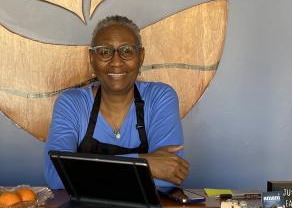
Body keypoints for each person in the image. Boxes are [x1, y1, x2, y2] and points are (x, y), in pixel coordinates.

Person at [44, 15, 189, 189]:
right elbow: (56, 177)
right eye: (104, 51)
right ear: (91, 58)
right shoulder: (71, 104)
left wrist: (84, 174)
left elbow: (168, 178)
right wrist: (145, 163)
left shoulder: (160, 97)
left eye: (127, 50)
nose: (116, 62)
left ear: (141, 56)